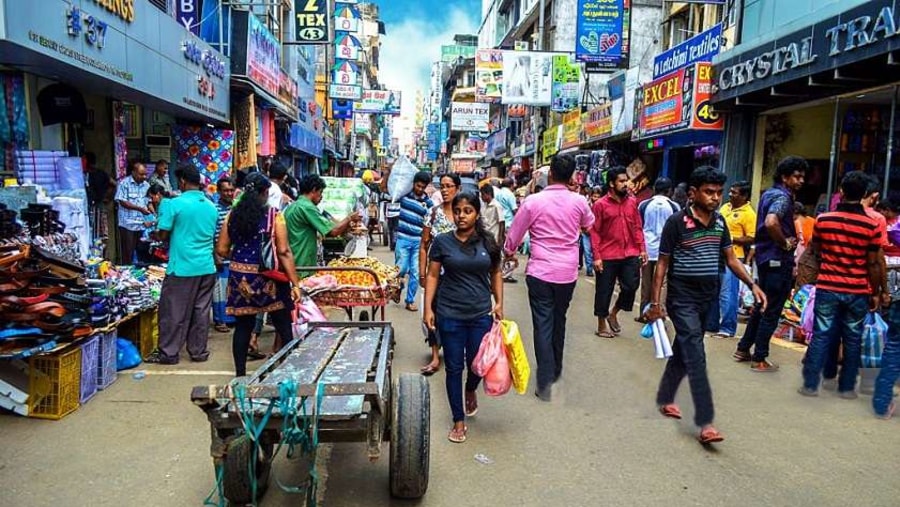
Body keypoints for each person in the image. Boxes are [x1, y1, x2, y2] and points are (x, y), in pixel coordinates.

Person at [644, 167, 766, 445]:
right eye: (709, 192)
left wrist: (752, 284)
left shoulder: (721, 223)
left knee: (685, 348)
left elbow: (731, 259)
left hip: (706, 296)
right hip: (681, 297)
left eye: (718, 193)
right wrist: (655, 303)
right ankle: (705, 421)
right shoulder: (676, 223)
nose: (715, 198)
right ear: (692, 193)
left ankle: (665, 396)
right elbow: (661, 264)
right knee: (696, 354)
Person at [504, 154, 594, 401]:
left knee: (543, 325)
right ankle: (555, 373)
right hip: (567, 273)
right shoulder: (579, 202)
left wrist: (509, 252)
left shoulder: (534, 201)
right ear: (573, 176)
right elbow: (589, 225)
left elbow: (514, 235)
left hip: (540, 271)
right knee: (559, 321)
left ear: (551, 174)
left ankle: (545, 384)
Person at [423, 192, 503, 444]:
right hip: (450, 314)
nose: (461, 216)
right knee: (454, 368)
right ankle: (458, 420)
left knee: (478, 365)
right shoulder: (443, 242)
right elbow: (433, 275)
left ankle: (471, 388)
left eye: (467, 211)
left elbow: (496, 272)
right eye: (457, 211)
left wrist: (499, 303)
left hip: (480, 314)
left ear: (476, 213)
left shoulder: (487, 242)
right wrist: (428, 309)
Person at [798, 171, 882, 398]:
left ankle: (810, 385)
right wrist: (875, 292)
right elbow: (874, 263)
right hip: (857, 289)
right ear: (865, 193)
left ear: (841, 192)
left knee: (821, 334)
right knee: (853, 337)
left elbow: (815, 251)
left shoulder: (824, 220)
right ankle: (846, 388)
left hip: (828, 286)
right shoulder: (872, 226)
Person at [215, 173, 302, 377]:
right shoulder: (274, 216)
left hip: (239, 278)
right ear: (265, 193)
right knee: (282, 324)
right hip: (269, 276)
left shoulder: (232, 215)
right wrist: (295, 283)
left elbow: (221, 249)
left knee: (243, 327)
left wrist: (239, 258)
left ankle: (240, 375)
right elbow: (284, 251)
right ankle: (288, 372)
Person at [734, 156, 806, 372]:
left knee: (761, 305)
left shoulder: (769, 194)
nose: (801, 181)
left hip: (765, 259)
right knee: (772, 309)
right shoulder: (783, 198)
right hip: (777, 260)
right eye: (797, 176)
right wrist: (784, 243)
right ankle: (760, 357)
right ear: (785, 177)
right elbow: (771, 222)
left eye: (803, 177)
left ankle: (743, 348)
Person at [146, 166, 219, 365]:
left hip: (182, 267)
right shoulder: (211, 207)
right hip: (206, 266)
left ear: (183, 182)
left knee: (173, 311)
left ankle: (169, 353)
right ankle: (198, 351)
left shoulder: (173, 204)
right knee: (201, 311)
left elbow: (162, 234)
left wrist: (159, 221)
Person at [590, 166, 648, 338]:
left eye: (626, 181)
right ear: (612, 184)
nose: (626, 184)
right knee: (604, 290)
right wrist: (597, 257)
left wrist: (642, 249)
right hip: (607, 254)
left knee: (631, 286)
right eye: (621, 181)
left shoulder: (632, 202)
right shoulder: (600, 205)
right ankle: (601, 324)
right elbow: (594, 232)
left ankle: (613, 312)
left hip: (630, 253)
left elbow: (637, 227)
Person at [418, 173, 461, 375]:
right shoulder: (432, 213)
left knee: (455, 313)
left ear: (457, 188)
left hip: (459, 276)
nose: (444, 190)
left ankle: (456, 351)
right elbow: (424, 246)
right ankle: (435, 356)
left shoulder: (464, 214)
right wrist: (422, 273)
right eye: (442, 186)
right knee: (432, 312)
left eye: (449, 186)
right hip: (436, 275)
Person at [284, 175, 360, 275]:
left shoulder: (293, 206)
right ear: (313, 190)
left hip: (293, 260)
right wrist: (349, 218)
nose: (321, 197)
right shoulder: (307, 207)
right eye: (320, 193)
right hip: (302, 264)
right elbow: (333, 231)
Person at [708, 181, 756, 338]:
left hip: (734, 256)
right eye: (730, 192)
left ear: (744, 196)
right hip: (716, 254)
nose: (730, 194)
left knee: (728, 293)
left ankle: (727, 328)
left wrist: (729, 238)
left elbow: (751, 237)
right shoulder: (725, 207)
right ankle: (712, 324)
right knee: (712, 290)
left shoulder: (749, 214)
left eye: (734, 193)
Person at [637, 177, 679, 321]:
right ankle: (659, 313)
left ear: (654, 189)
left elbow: (638, 226)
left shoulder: (644, 205)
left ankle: (644, 313)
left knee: (646, 282)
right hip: (666, 250)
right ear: (670, 191)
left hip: (647, 248)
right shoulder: (674, 207)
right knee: (662, 283)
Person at [394, 171, 434, 312]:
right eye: (418, 186)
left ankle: (409, 300)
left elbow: (431, 221)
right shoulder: (403, 196)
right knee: (401, 269)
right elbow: (387, 189)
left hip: (418, 242)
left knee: (416, 273)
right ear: (413, 183)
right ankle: (398, 287)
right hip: (403, 239)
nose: (420, 189)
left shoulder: (428, 203)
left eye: (423, 187)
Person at [212, 177, 237, 335]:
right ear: (219, 191)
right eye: (225, 190)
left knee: (232, 290)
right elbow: (211, 234)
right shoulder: (214, 209)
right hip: (220, 256)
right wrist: (216, 255)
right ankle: (220, 320)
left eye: (231, 190)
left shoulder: (237, 208)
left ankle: (231, 318)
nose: (229, 193)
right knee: (219, 291)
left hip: (235, 256)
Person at [114, 160, 150, 265]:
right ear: (133, 172)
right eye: (141, 174)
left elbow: (149, 201)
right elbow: (122, 201)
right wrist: (140, 209)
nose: (144, 177)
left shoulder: (146, 185)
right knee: (127, 253)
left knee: (142, 252)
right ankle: (127, 273)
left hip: (141, 224)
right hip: (128, 224)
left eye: (145, 174)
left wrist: (152, 213)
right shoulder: (124, 183)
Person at [135, 184, 165, 265]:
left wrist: (152, 223)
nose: (153, 201)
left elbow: (163, 221)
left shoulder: (164, 204)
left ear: (158, 194)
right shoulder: (162, 204)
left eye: (152, 197)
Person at [494, 179, 518, 282]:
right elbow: (514, 209)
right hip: (509, 224)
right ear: (511, 185)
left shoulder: (497, 194)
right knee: (510, 249)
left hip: (500, 223)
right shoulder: (510, 194)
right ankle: (506, 274)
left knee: (501, 249)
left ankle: (500, 270)